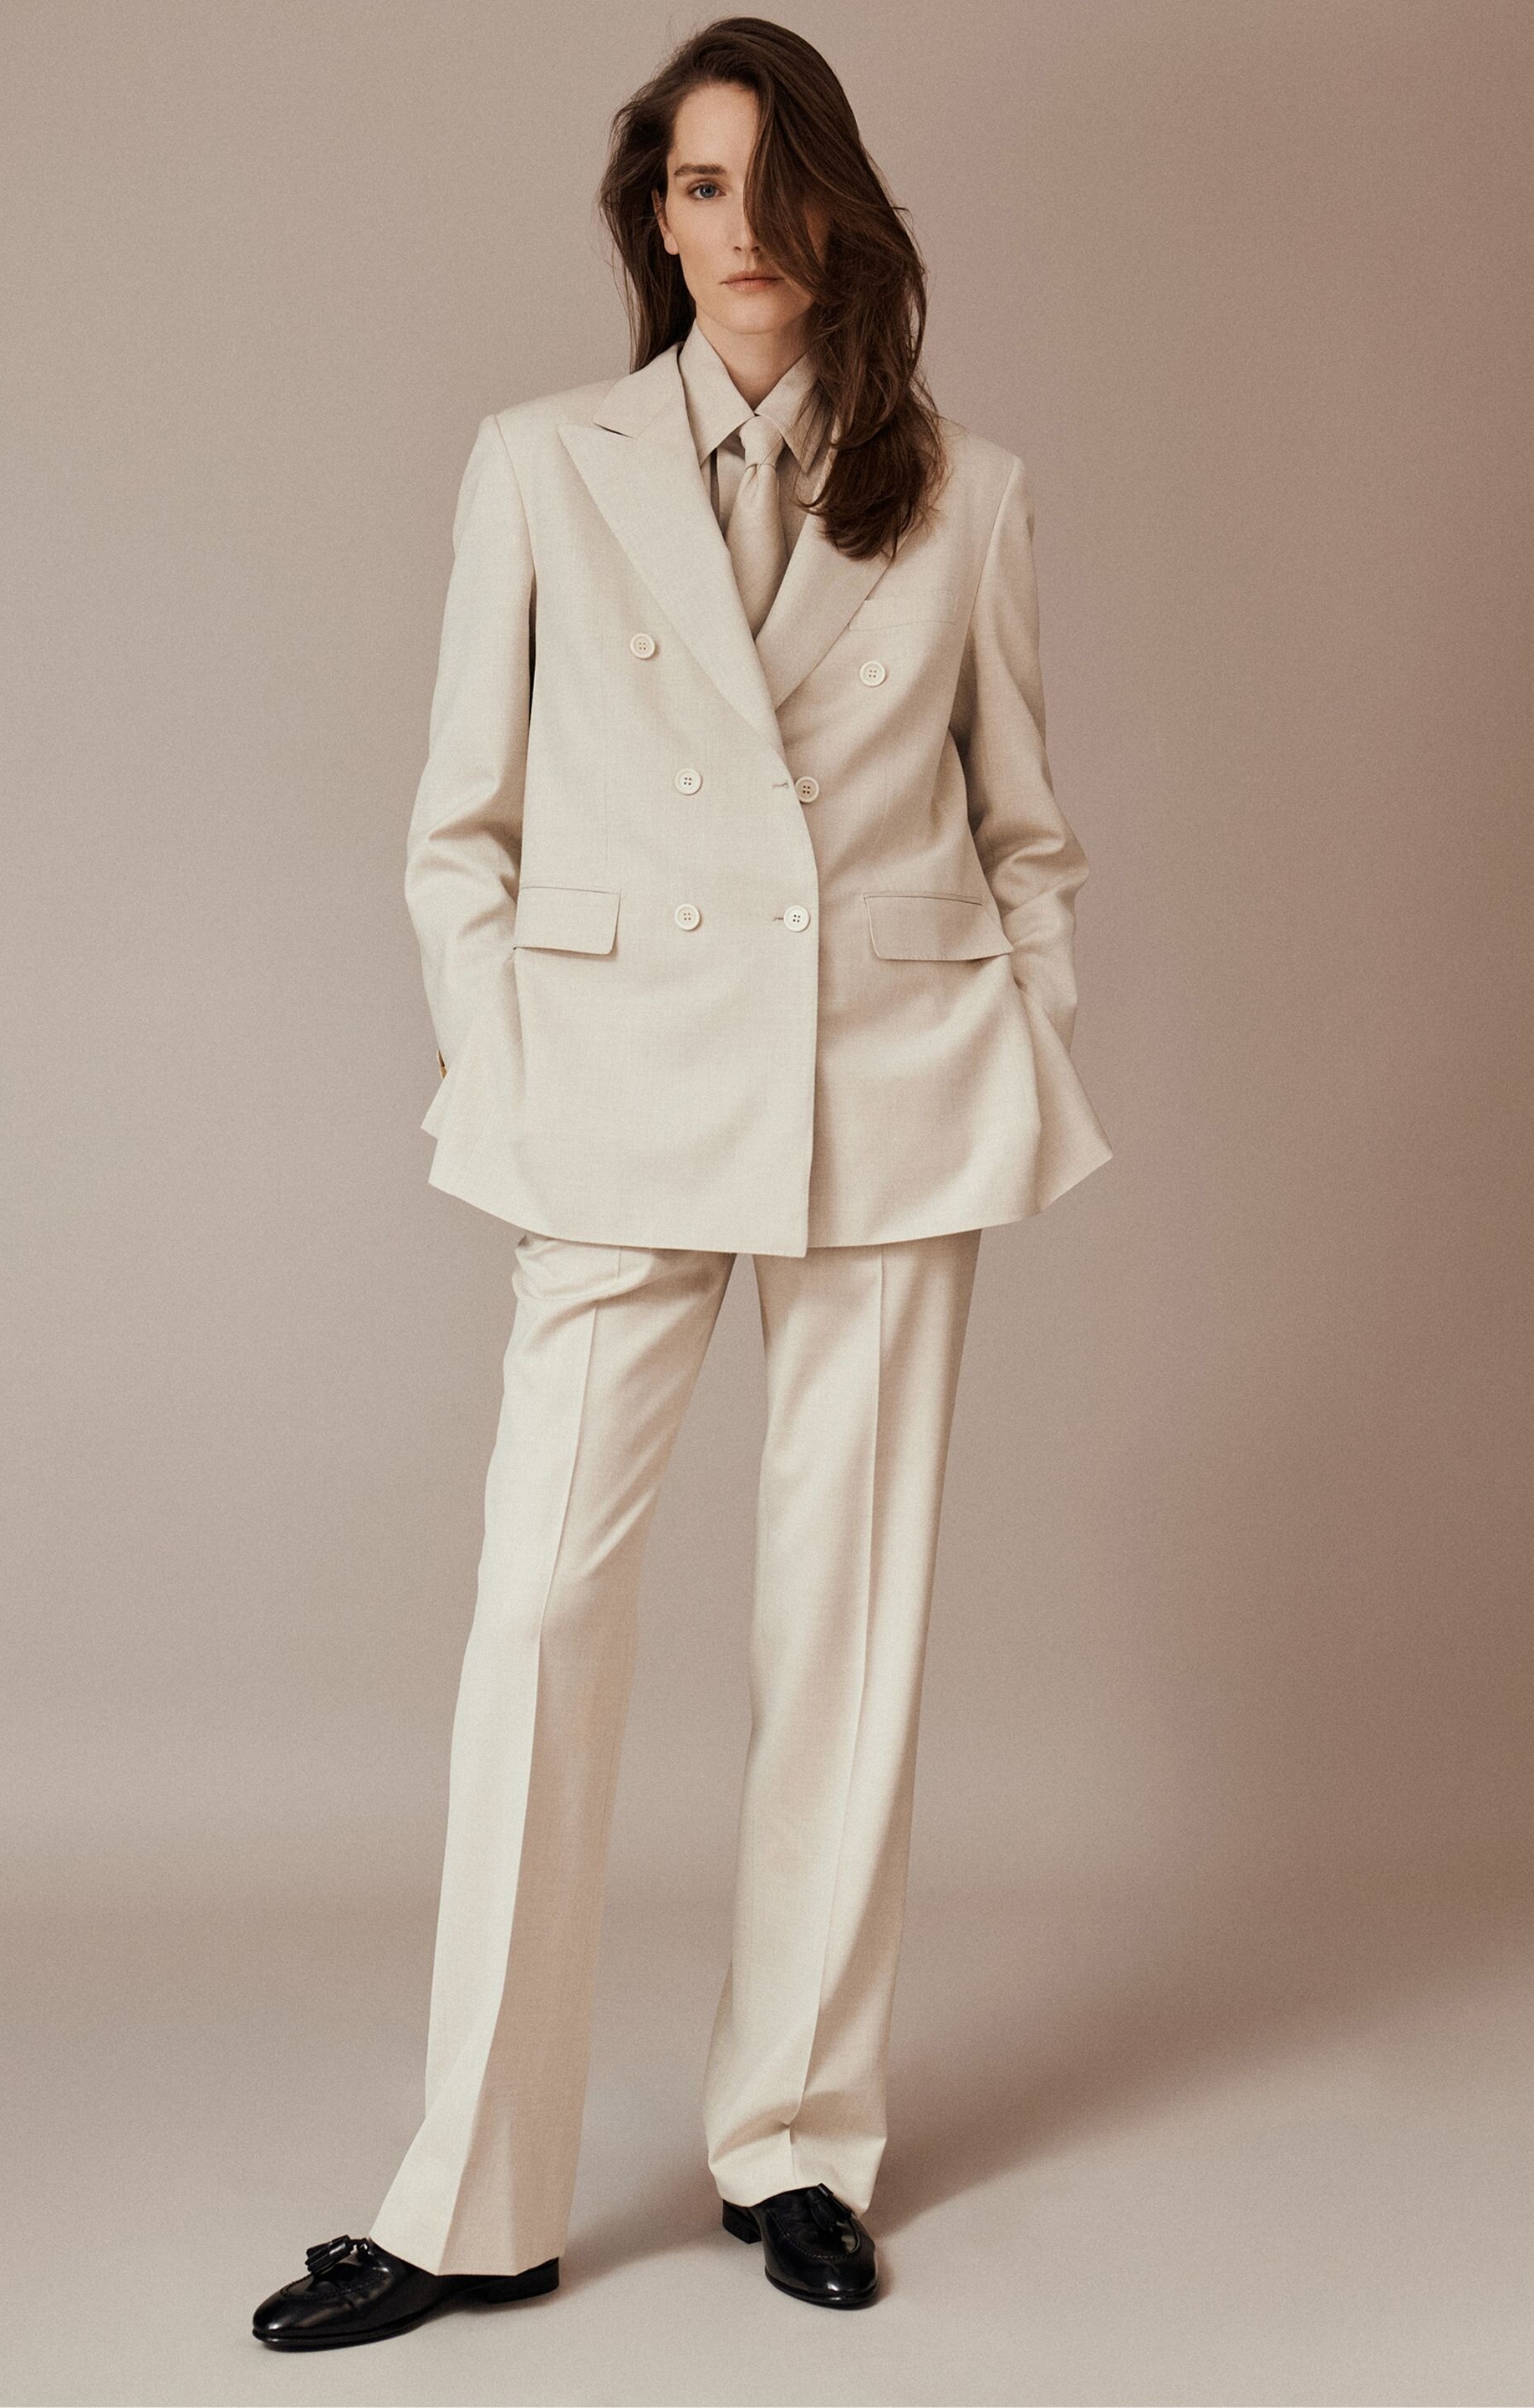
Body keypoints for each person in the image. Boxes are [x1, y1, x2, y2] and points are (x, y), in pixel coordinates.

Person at [252, 14, 1112, 2351]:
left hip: (890, 1095)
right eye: (698, 186)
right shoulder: (545, 464)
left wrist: (1015, 1036)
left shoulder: (966, 490)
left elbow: (1026, 832)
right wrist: (516, 1070)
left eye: (773, 180)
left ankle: (799, 2144)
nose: (740, 228)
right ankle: (475, 2200)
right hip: (619, 1103)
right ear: (657, 216)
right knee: (542, 1611)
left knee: (851, 1631)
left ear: (841, 207)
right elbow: (459, 829)